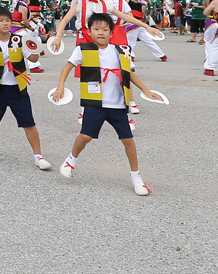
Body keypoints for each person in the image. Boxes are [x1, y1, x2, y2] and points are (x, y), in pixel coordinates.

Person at [52, 12, 157, 195]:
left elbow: (129, 74)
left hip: (117, 105)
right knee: (85, 136)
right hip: (94, 103)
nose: (101, 32)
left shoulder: (121, 50)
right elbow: (67, 67)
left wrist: (146, 91)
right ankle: (71, 160)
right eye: (96, 29)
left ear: (111, 32)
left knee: (129, 141)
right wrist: (60, 88)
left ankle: (136, 177)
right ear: (89, 31)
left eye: (105, 29)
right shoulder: (82, 49)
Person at [0, 6, 51, 169]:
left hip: (18, 89)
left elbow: (32, 57)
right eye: (1, 20)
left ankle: (38, 156)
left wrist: (35, 49)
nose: (5, 23)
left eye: (8, 20)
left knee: (28, 122)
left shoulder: (19, 40)